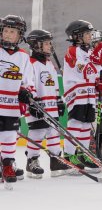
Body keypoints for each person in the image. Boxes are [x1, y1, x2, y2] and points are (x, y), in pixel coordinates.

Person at [24, 29, 72, 178]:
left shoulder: (49, 64)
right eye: (46, 43)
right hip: (37, 106)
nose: (49, 46)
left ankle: (55, 160)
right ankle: (32, 161)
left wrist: (59, 101)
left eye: (50, 43)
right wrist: (33, 103)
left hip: (51, 107)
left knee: (53, 132)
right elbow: (29, 84)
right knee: (37, 132)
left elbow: (55, 85)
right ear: (36, 45)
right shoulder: (31, 63)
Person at [62, 19, 102, 173]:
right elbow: (85, 71)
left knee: (85, 125)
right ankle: (69, 156)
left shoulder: (88, 52)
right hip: (76, 93)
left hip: (88, 92)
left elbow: (92, 74)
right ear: (77, 36)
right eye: (87, 33)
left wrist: (97, 83)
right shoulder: (72, 51)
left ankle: (82, 153)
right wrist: (96, 61)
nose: (90, 36)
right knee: (75, 124)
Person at [0, 15, 35, 186]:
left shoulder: (23, 56)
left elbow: (29, 81)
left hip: (12, 105)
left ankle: (7, 165)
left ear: (19, 35)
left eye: (12, 31)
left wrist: (26, 92)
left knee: (9, 136)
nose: (7, 34)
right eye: (5, 30)